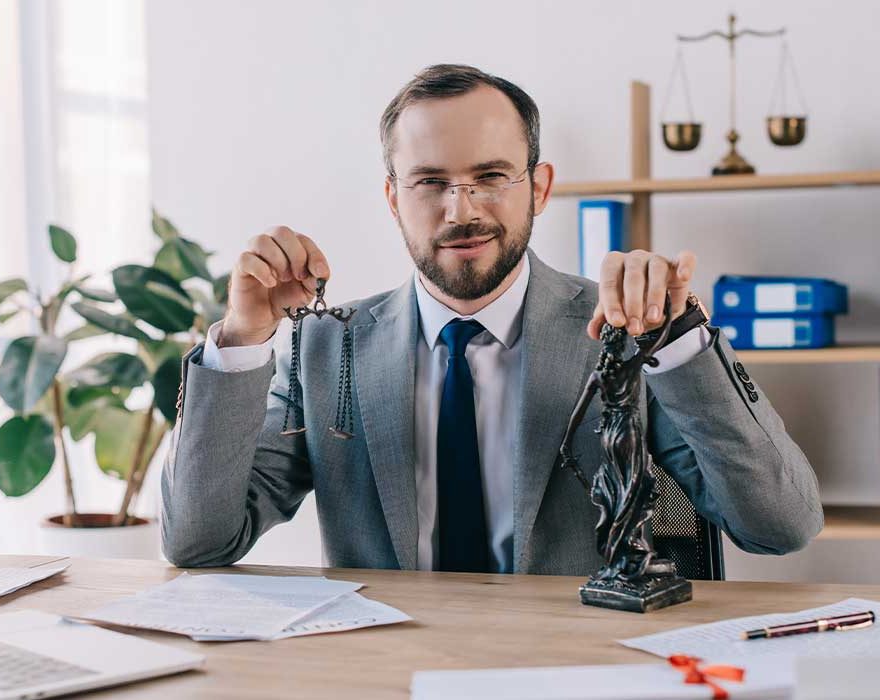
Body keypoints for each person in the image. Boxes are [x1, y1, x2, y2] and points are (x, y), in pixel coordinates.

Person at [160, 64, 823, 575]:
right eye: (430, 182)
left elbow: (781, 526)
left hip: (572, 674)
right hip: (385, 676)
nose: (462, 209)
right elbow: (199, 543)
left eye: (492, 176)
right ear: (393, 199)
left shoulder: (623, 334)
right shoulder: (327, 348)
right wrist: (244, 340)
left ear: (539, 187)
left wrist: (676, 342)